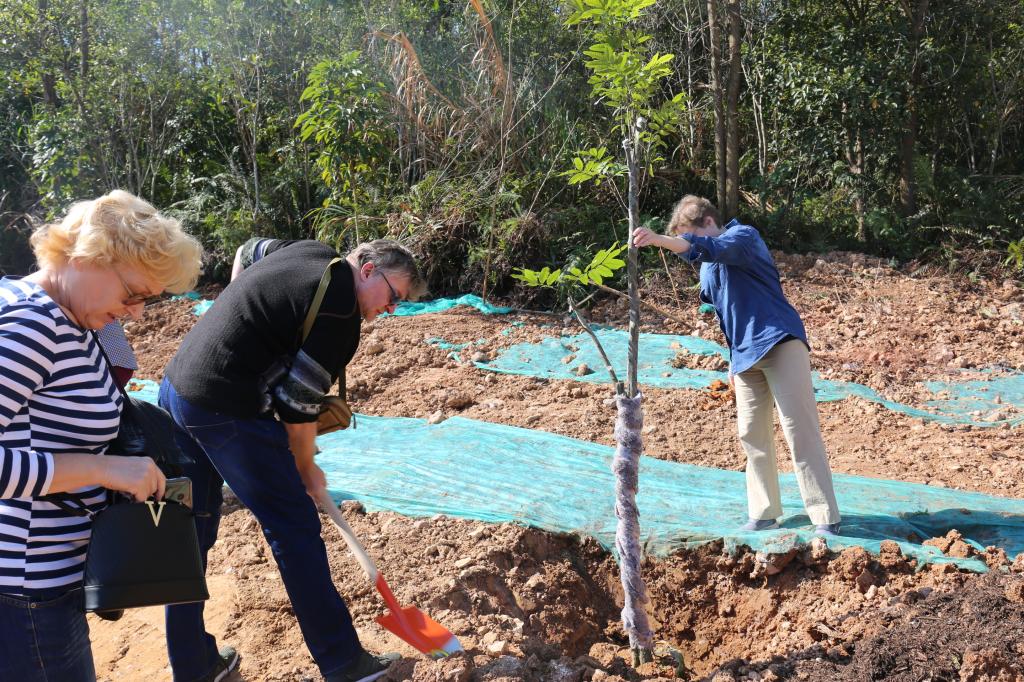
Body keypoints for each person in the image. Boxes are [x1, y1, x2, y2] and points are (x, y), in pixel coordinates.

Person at [159, 238, 426, 682]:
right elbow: (296, 405)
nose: (392, 308)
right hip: (226, 406)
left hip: (178, 388)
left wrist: (238, 325)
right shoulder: (341, 311)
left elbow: (248, 250)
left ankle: (193, 666)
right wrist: (307, 468)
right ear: (368, 270)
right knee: (295, 527)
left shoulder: (309, 251)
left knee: (191, 530)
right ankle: (343, 663)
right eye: (393, 295)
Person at [0, 190, 203, 681]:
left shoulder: (70, 318)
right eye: (132, 294)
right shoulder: (34, 325)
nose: (136, 312)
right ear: (87, 258)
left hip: (48, 578)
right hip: (27, 586)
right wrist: (103, 468)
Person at [633, 194, 841, 536]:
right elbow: (724, 312)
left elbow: (708, 247)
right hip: (744, 355)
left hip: (779, 341)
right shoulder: (707, 266)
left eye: (690, 234)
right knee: (751, 434)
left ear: (708, 223)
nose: (689, 243)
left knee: (799, 430)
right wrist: (733, 360)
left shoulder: (743, 237)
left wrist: (658, 239)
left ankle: (824, 515)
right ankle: (764, 512)